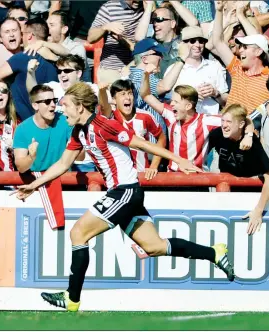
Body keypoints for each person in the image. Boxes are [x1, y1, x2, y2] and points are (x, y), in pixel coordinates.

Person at [12, 83, 235, 312]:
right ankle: (214, 252)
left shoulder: (103, 125)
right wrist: (34, 185)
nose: (61, 109)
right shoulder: (79, 132)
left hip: (125, 192)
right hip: (126, 194)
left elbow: (142, 143)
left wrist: (179, 160)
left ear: (80, 107)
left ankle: (72, 297)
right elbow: (62, 164)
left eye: (65, 104)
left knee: (78, 232)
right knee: (154, 246)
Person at [208, 104, 269, 235]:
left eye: (229, 122)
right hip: (226, 191)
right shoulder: (216, 135)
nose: (224, 125)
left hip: (251, 195)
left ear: (240, 125)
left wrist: (258, 210)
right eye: (222, 121)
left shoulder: (253, 144)